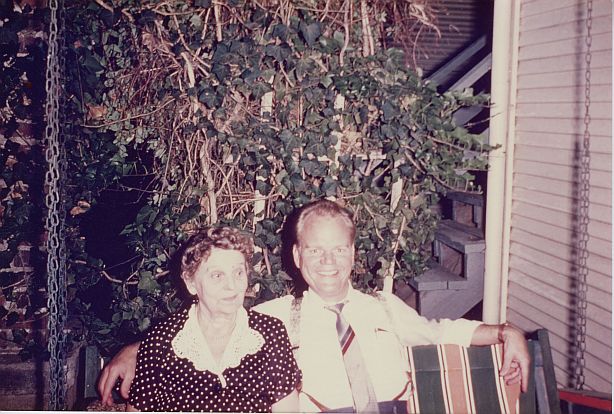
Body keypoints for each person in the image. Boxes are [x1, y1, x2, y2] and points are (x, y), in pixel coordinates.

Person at [99, 200, 530, 413]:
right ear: (297, 257)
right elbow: (209, 328)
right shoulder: (271, 319)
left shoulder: (383, 307)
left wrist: (507, 332)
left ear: (353, 254)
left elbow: (444, 331)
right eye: (316, 251)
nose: (328, 262)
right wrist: (131, 351)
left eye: (339, 250)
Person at [122, 227, 300, 412]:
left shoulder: (270, 333)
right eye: (217, 276)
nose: (231, 286)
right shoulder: (160, 343)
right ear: (191, 283)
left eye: (238, 273)